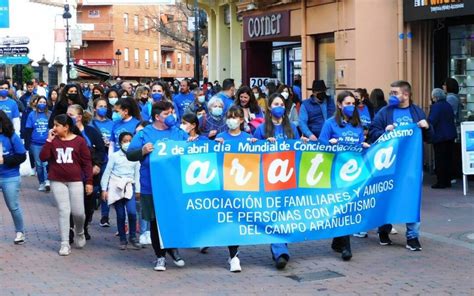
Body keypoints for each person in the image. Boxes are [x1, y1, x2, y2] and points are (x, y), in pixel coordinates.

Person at [368, 80, 433, 251]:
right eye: (391, 93)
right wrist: (384, 132)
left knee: (412, 198)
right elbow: (373, 133)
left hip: (411, 166)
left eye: (395, 93)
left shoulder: (417, 112)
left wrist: (427, 127)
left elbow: (429, 137)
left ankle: (412, 236)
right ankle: (384, 229)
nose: (391, 96)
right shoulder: (385, 112)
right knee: (386, 196)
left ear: (406, 95)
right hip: (389, 165)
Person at [126, 101, 187, 271]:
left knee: (172, 218)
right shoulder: (144, 134)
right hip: (151, 185)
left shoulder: (178, 133)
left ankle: (173, 249)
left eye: (172, 112)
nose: (171, 116)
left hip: (174, 185)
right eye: (167, 113)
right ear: (157, 116)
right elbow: (130, 154)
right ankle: (160, 256)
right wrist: (143, 151)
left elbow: (193, 149)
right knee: (155, 221)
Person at [319, 91, 370, 261]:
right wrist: (329, 144)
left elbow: (358, 145)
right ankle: (346, 247)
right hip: (335, 172)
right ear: (339, 105)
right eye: (347, 103)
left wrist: (363, 145)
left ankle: (337, 241)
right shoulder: (330, 124)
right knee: (343, 205)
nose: (350, 106)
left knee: (348, 207)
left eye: (352, 103)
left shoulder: (357, 125)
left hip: (353, 172)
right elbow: (320, 144)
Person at [253, 93, 299, 269]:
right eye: (276, 104)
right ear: (270, 107)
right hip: (268, 180)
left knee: (285, 214)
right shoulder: (262, 129)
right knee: (274, 214)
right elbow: (250, 150)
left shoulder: (292, 128)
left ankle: (282, 247)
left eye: (282, 103)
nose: (279, 106)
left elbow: (298, 151)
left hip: (288, 178)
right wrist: (263, 145)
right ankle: (279, 251)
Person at [39, 114, 93, 256]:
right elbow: (43, 157)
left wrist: (89, 181)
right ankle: (64, 243)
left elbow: (87, 163)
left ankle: (80, 231)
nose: (54, 128)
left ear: (66, 127)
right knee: (64, 210)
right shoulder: (53, 141)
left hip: (75, 180)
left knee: (79, 212)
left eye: (57, 125)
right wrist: (49, 141)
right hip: (57, 180)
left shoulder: (79, 141)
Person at [215, 105, 256, 272]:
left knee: (238, 221)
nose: (231, 120)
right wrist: (216, 146)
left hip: (242, 186)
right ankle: (233, 255)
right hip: (225, 186)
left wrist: (256, 146)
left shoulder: (247, 138)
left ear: (241, 119)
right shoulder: (220, 137)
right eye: (229, 117)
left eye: (235, 117)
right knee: (230, 220)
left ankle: (234, 255)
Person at [67, 104, 106, 241]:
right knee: (71, 203)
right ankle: (71, 229)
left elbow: (101, 150)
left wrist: (97, 165)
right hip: (72, 173)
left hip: (90, 172)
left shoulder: (92, 132)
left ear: (79, 117)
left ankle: (84, 227)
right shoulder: (66, 132)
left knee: (88, 204)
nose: (68, 117)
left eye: (71, 115)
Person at [101, 131, 141, 250]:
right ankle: (122, 238)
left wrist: (138, 190)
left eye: (130, 141)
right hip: (116, 186)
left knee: (132, 212)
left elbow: (137, 175)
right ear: (120, 143)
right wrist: (104, 189)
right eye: (125, 141)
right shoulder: (114, 156)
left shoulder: (135, 157)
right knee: (120, 214)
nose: (127, 143)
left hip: (129, 186)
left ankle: (133, 236)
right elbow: (107, 173)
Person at [0, 110, 27, 245]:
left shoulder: (11, 137)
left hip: (9, 176)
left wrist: (5, 160)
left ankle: (20, 231)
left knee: (13, 205)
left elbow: (22, 156)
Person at [428, 88, 457, 189]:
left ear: (435, 97)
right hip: (450, 135)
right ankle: (447, 181)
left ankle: (441, 182)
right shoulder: (448, 105)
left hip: (440, 136)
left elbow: (432, 120)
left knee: (440, 160)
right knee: (448, 159)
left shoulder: (436, 106)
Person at [25, 96, 50, 192]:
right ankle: (41, 182)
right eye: (41, 102)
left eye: (44, 102)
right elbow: (28, 130)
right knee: (39, 165)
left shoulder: (49, 114)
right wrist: (28, 144)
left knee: (46, 163)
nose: (42, 104)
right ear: (37, 103)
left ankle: (48, 180)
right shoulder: (32, 115)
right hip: (35, 143)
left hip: (47, 143)